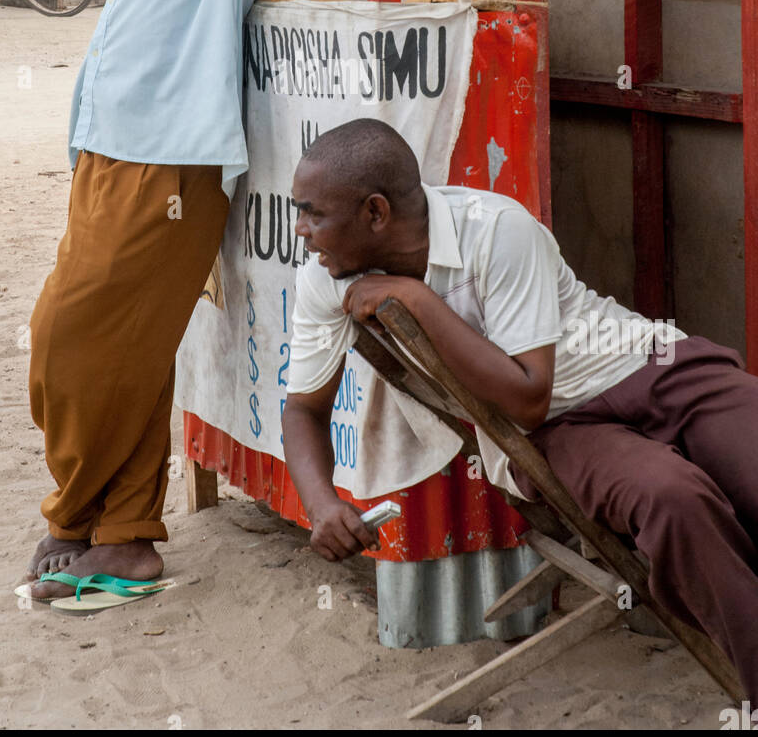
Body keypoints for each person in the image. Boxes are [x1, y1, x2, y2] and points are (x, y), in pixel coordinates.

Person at [25, 0, 348, 600]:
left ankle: (75, 513)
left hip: (168, 164)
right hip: (109, 149)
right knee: (122, 350)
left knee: (69, 340)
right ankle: (122, 532)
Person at [282, 118, 758, 701]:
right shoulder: (326, 280)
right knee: (674, 499)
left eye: (312, 213)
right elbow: (307, 408)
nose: (301, 231)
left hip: (652, 364)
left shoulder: (496, 229)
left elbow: (529, 382)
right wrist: (322, 503)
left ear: (375, 213)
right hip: (556, 430)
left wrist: (414, 298)